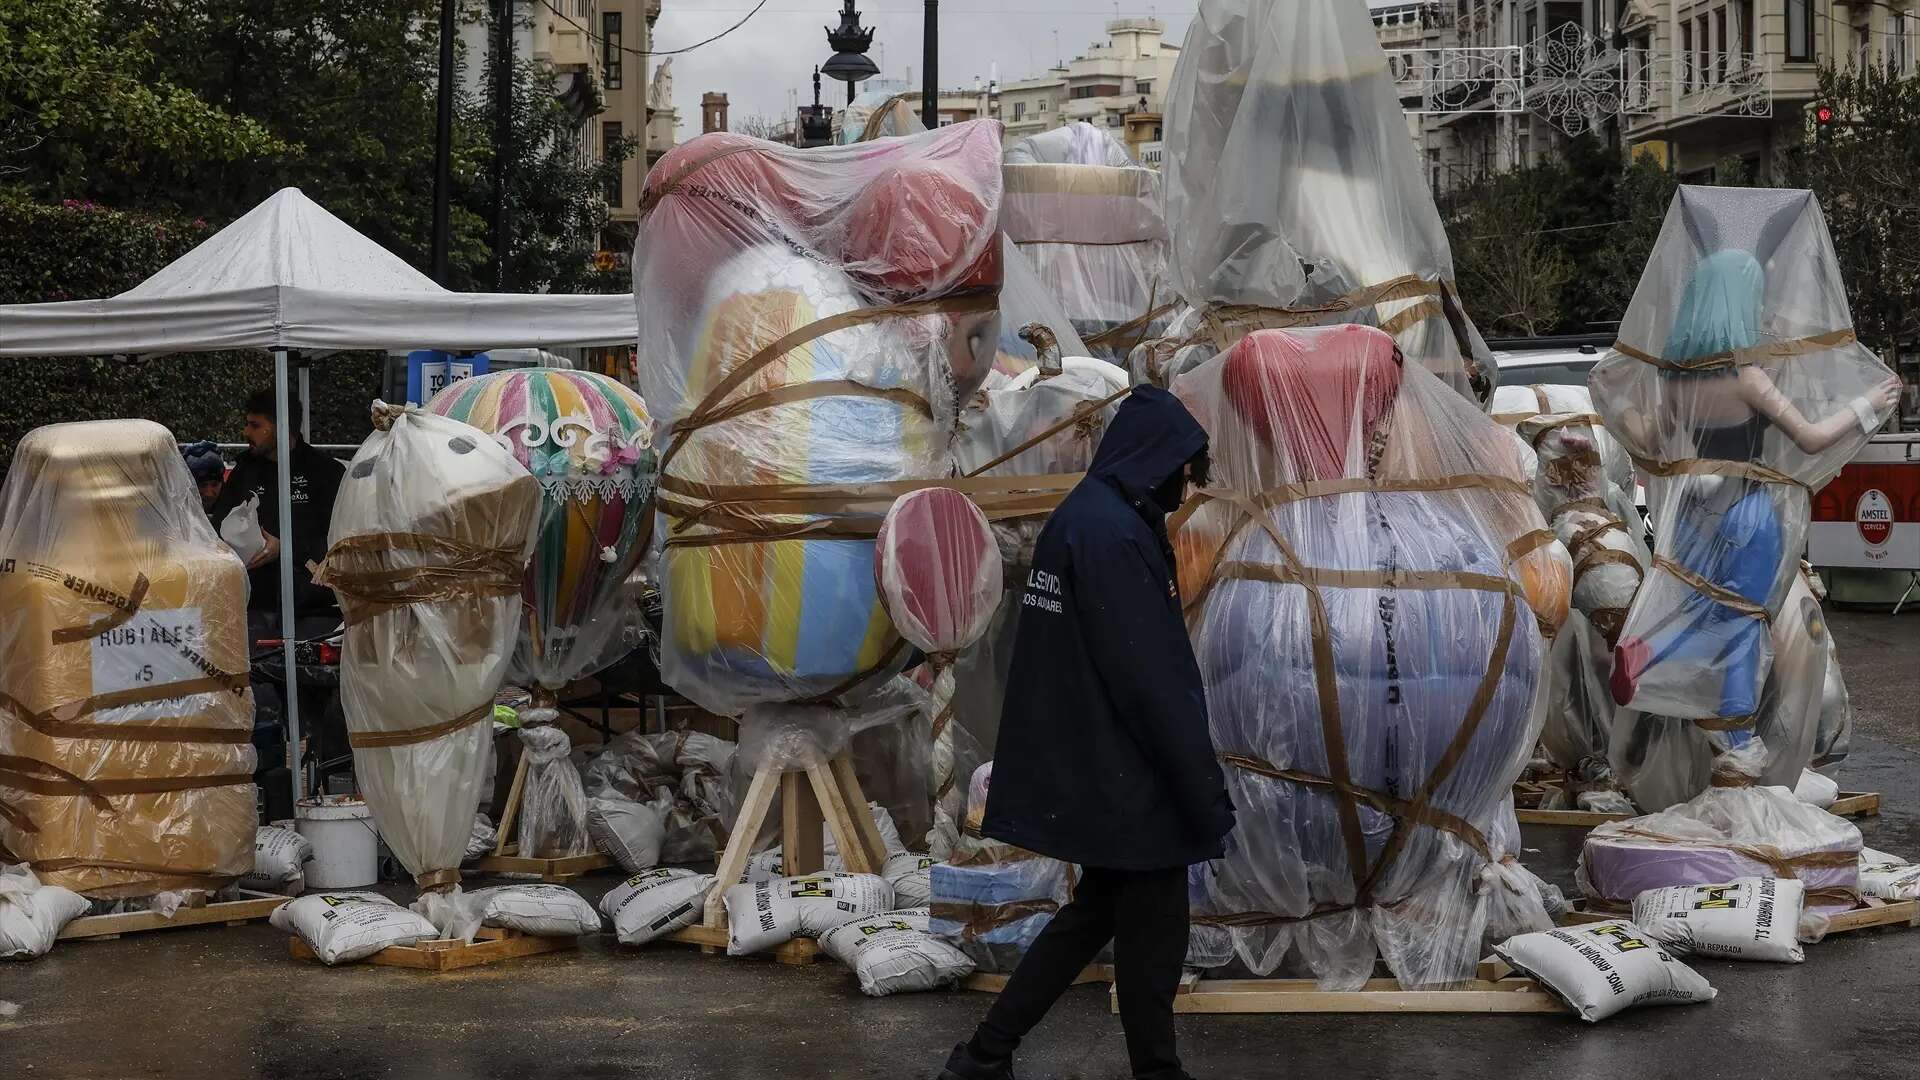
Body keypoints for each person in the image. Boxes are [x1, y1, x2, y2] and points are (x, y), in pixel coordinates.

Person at [939, 386, 1234, 1080]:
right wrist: (1198, 783)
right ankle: (1154, 1070)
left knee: (1093, 915)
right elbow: (1148, 675)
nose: (1183, 489)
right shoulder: (1112, 533)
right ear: (1154, 461)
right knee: (1155, 932)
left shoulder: (1087, 517)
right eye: (1182, 473)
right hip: (1130, 774)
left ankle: (984, 1055)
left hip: (1102, 765)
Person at [208, 388, 344, 614]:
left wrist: (285, 548)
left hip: (312, 606)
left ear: (282, 427)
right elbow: (218, 528)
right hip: (253, 603)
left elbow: (341, 542)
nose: (246, 432)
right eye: (247, 423)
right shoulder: (244, 471)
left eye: (256, 425)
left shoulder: (325, 472)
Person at [179, 440, 227, 515]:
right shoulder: (177, 510)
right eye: (202, 485)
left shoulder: (233, 507)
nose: (209, 493)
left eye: (215, 485)